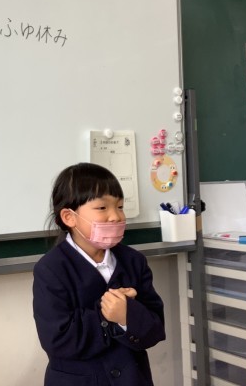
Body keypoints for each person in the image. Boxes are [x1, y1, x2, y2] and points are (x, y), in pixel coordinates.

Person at [33, 162, 165, 385]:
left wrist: (128, 314)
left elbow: (155, 329)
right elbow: (58, 339)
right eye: (102, 207)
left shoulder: (134, 261)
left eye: (120, 206)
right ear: (69, 217)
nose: (116, 216)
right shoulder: (51, 269)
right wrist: (108, 315)